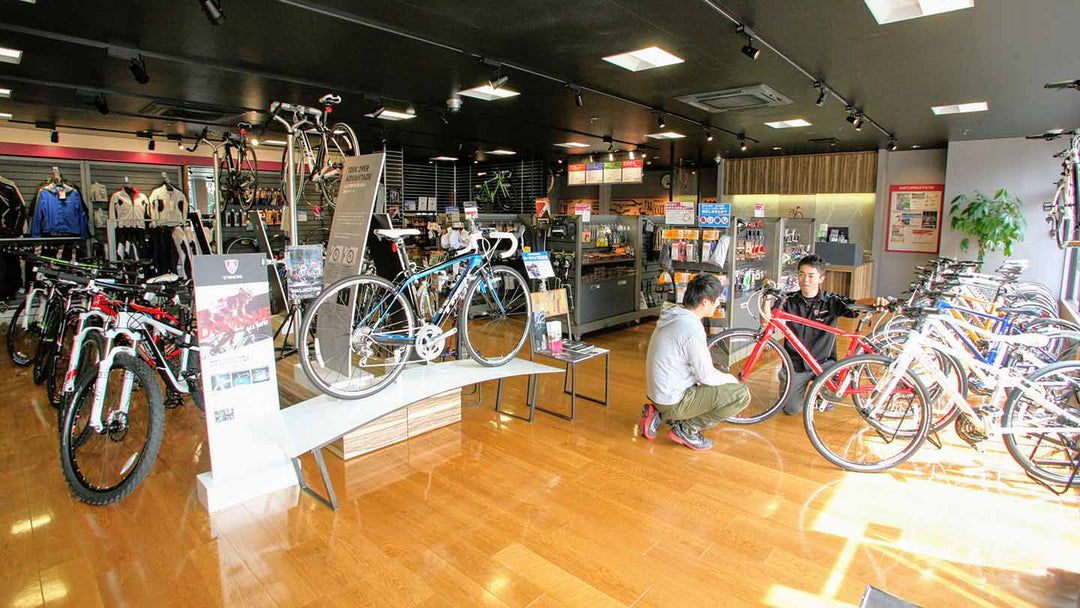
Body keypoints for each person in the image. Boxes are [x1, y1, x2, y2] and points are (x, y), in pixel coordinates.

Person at [642, 273, 751, 451]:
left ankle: (660, 415)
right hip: (672, 398)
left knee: (712, 383)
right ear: (706, 302)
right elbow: (706, 375)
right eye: (717, 300)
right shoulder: (691, 328)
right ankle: (687, 429)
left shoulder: (674, 316)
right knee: (741, 394)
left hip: (659, 394)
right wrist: (731, 379)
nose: (718, 304)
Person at [773, 255, 889, 415]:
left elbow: (855, 304)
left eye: (811, 276)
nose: (805, 280)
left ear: (821, 279)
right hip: (796, 364)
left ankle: (819, 392)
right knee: (791, 409)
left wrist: (874, 300)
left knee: (832, 397)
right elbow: (766, 321)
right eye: (801, 274)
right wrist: (766, 299)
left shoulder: (831, 301)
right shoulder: (789, 300)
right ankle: (799, 387)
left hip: (824, 364)